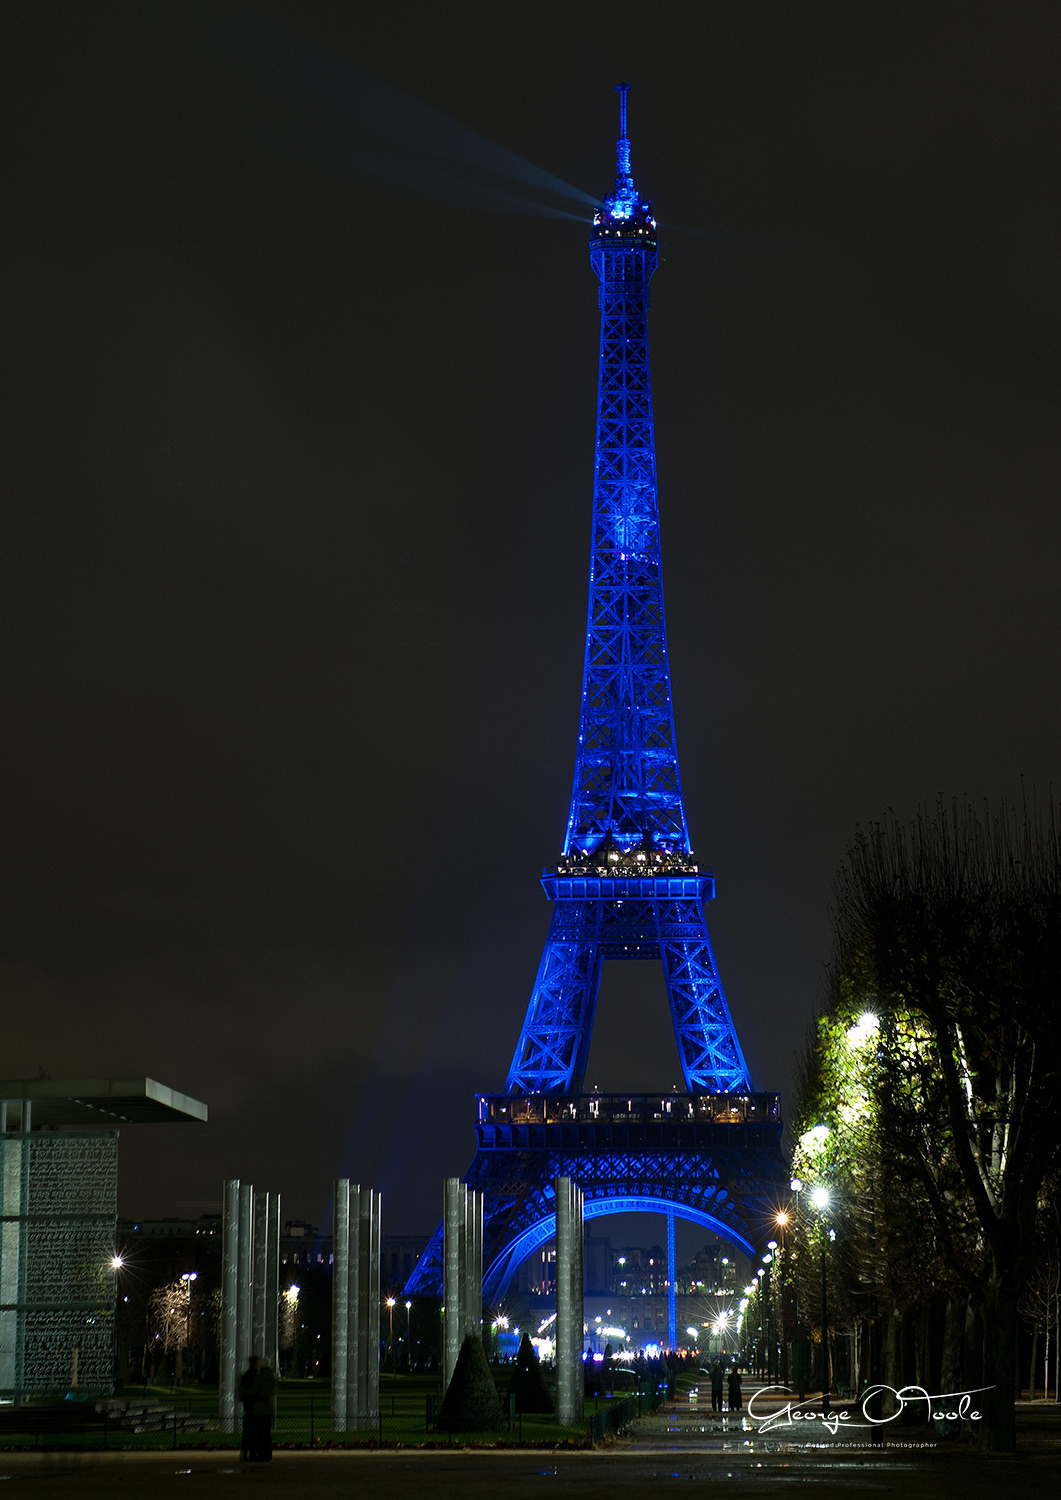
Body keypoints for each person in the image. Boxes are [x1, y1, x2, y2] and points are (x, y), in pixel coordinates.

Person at [249, 1358, 276, 1461]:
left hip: (259, 1410)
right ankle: (268, 1454)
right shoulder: (272, 1378)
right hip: (269, 1409)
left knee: (260, 1434)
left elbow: (253, 1391)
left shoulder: (260, 1378)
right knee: (267, 1434)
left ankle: (261, 1454)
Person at [238, 1355, 260, 1460]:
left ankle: (245, 1452)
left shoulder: (246, 1375)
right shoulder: (255, 1375)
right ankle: (252, 1452)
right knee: (254, 1430)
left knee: (247, 1430)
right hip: (254, 1405)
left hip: (248, 1405)